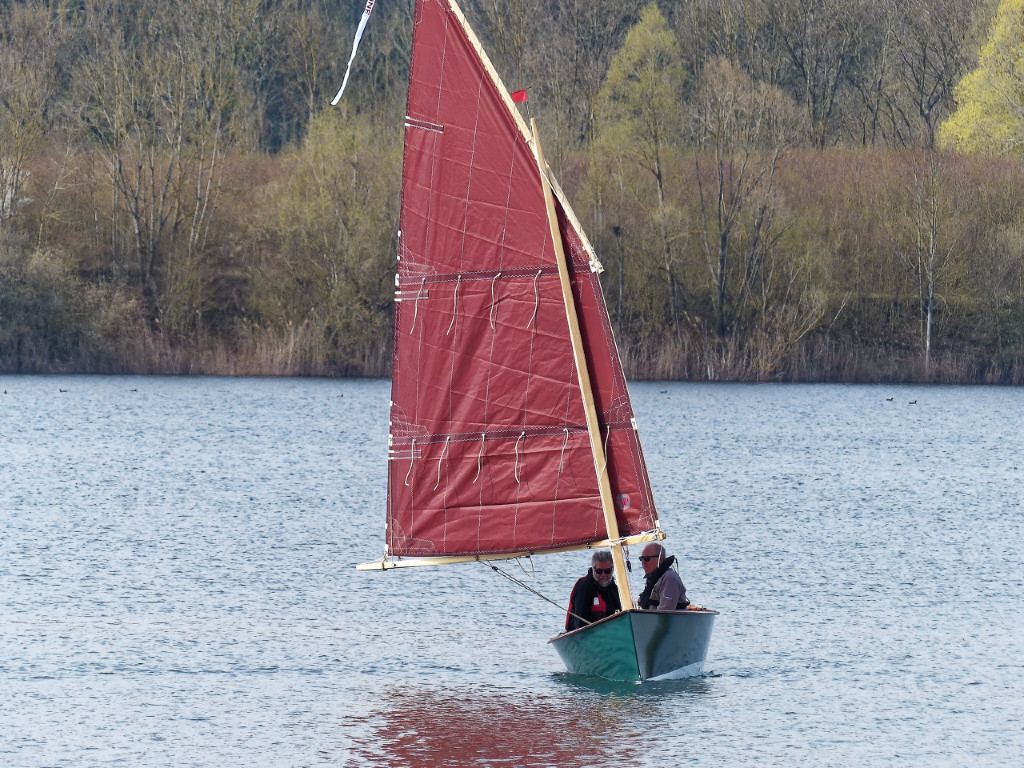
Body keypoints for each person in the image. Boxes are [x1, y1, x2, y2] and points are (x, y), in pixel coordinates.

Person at [565, 551, 622, 631]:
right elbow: (579, 624)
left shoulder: (613, 588)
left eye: (607, 571)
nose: (603, 575)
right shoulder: (584, 588)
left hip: (610, 634)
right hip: (588, 635)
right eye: (599, 571)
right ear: (593, 569)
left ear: (612, 569)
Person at [637, 543, 689, 611]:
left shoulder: (669, 578)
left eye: (647, 558)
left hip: (669, 620)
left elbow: (665, 612)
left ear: (660, 559)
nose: (643, 563)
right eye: (641, 559)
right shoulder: (653, 578)